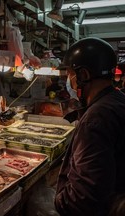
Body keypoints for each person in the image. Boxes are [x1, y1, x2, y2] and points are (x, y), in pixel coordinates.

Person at [54, 37, 125, 216]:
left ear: (83, 75)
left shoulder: (96, 118)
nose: (69, 82)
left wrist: (59, 201)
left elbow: (85, 197)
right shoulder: (118, 101)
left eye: (70, 75)